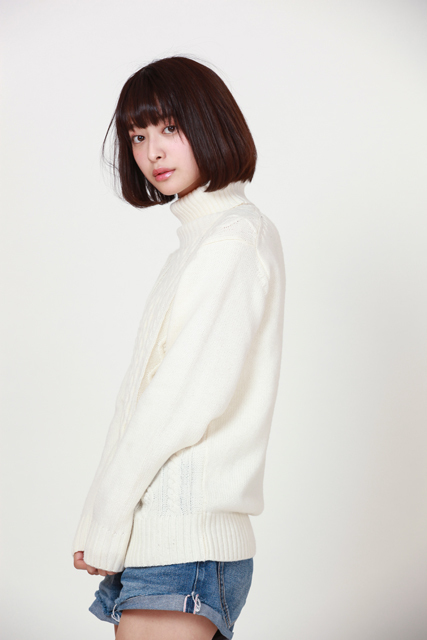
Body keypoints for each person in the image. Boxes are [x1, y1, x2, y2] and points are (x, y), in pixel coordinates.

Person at [72, 55, 286, 640]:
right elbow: (139, 402)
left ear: (211, 123)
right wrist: (102, 518)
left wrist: (106, 520)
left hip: (184, 541)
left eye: (170, 127)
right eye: (138, 136)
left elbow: (181, 402)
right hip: (163, 537)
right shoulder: (198, 242)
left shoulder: (232, 240)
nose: (153, 152)